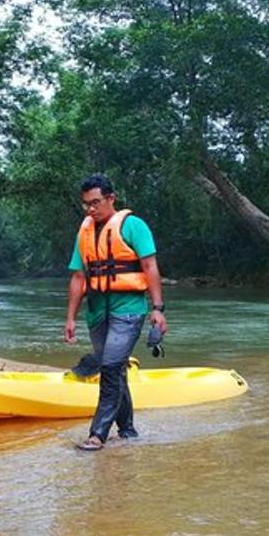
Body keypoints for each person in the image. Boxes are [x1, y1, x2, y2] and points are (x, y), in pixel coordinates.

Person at [64, 173, 166, 451]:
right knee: (116, 371)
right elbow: (77, 277)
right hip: (96, 311)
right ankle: (129, 431)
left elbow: (150, 268)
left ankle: (97, 434)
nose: (90, 209)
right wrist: (70, 317)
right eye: (86, 204)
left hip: (129, 309)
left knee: (109, 367)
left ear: (111, 199)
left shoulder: (134, 226)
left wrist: (158, 309)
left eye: (96, 202)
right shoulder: (84, 232)